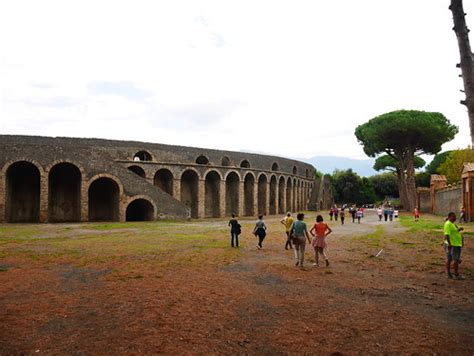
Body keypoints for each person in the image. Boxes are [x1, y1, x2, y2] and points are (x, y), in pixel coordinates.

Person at [444, 212, 464, 280]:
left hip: (455, 244)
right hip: (453, 245)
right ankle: (456, 275)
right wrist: (450, 244)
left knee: (450, 259)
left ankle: (449, 274)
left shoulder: (452, 224)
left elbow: (453, 232)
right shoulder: (448, 224)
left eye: (455, 217)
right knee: (455, 260)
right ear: (449, 217)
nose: (455, 218)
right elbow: (446, 235)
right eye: (453, 217)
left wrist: (459, 229)